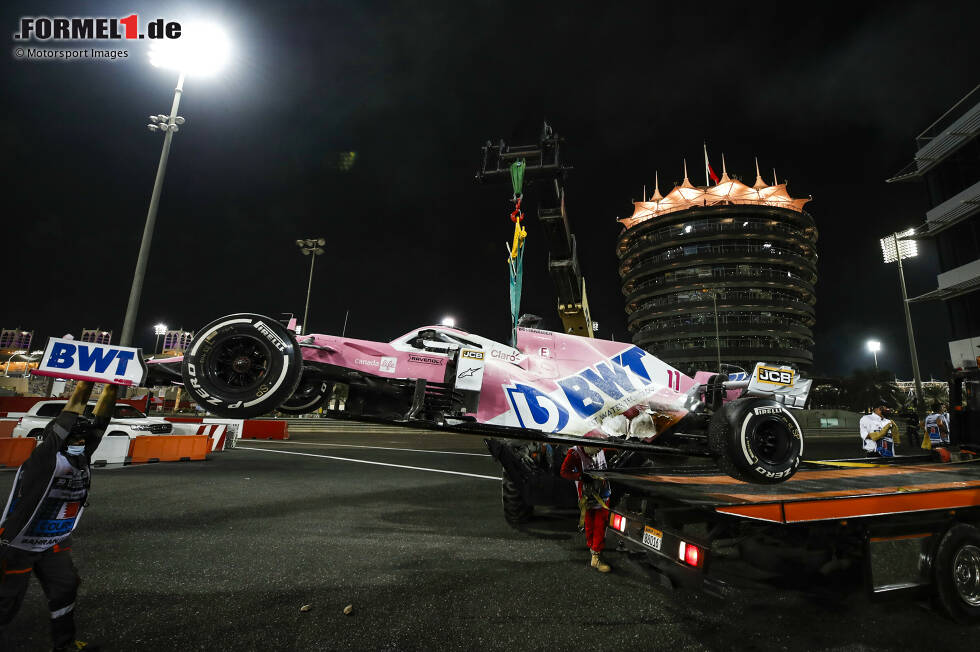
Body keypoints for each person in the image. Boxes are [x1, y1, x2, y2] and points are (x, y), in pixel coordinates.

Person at [0, 381, 116, 652]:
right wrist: (86, 382)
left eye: (82, 440)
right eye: (74, 438)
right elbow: (69, 415)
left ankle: (64, 646)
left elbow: (101, 422)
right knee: (5, 605)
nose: (80, 442)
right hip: (17, 546)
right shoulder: (45, 458)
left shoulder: (82, 457)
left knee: (65, 591)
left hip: (54, 544)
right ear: (60, 438)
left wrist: (113, 386)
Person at [560, 445, 612, 573]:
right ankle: (595, 553)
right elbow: (564, 471)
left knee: (599, 523)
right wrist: (580, 476)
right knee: (592, 523)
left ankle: (594, 551)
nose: (598, 451)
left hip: (602, 493)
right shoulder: (575, 453)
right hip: (587, 495)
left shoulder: (600, 447)